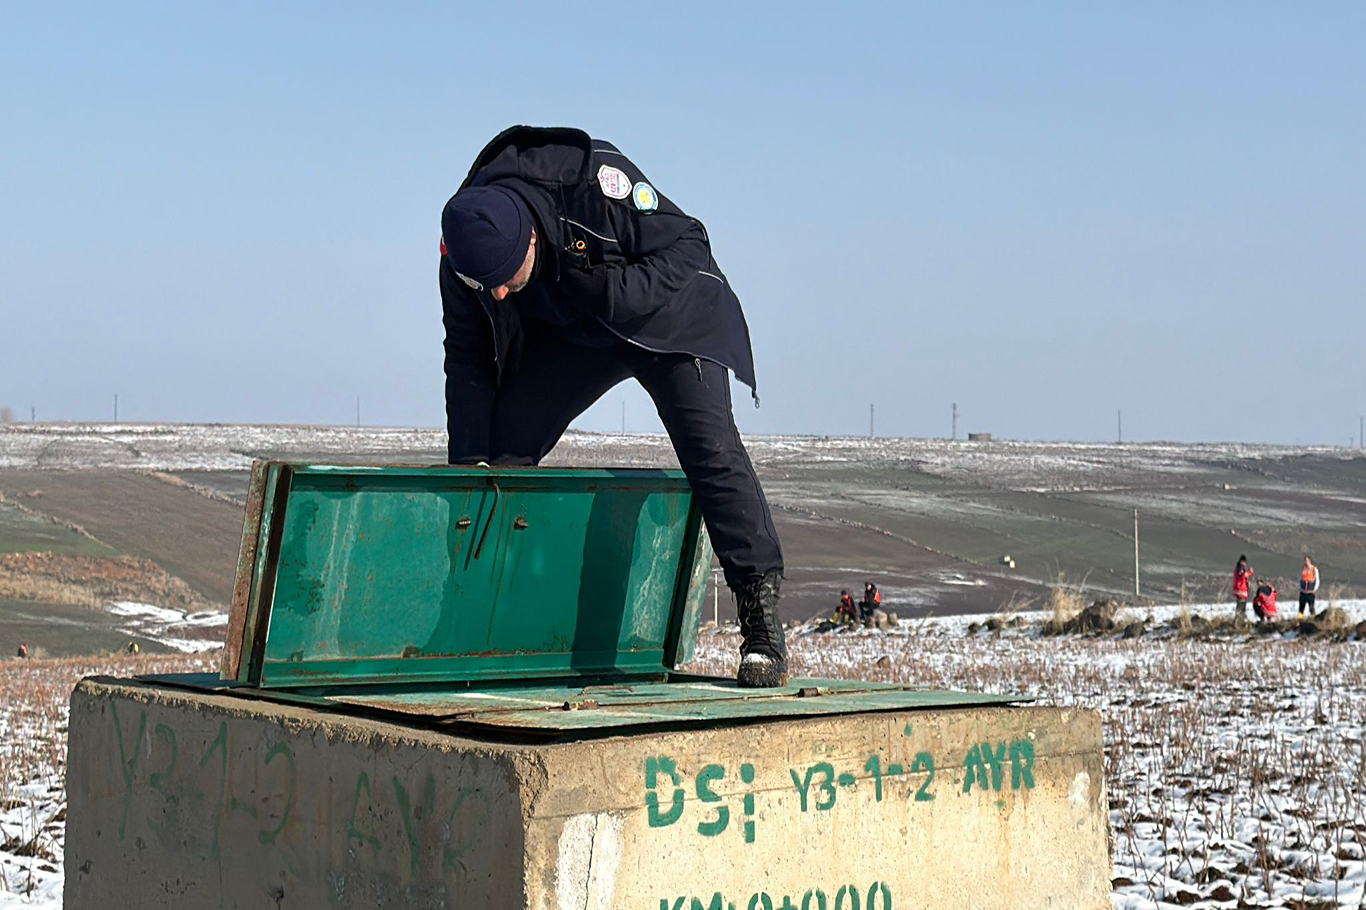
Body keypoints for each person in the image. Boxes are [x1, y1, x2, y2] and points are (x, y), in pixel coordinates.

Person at [440, 127, 786, 687]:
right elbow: (467, 359)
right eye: (487, 287)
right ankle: (480, 615)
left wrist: (612, 292)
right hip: (576, 332)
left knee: (710, 451)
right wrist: (468, 470)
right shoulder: (464, 252)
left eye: (505, 281)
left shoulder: (593, 182)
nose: (498, 295)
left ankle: (761, 624)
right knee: (499, 450)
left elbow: (690, 243)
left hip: (665, 316)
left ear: (531, 240)